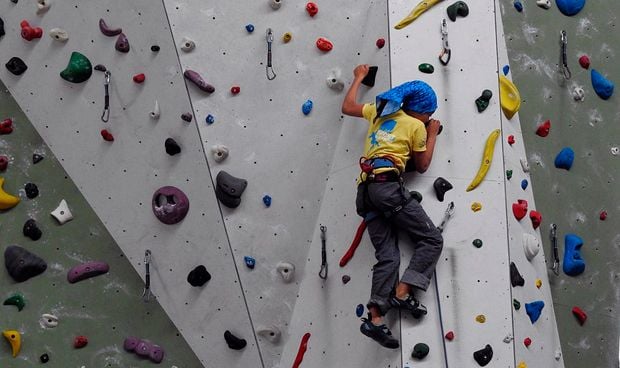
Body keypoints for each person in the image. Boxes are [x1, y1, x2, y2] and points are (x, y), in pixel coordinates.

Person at [341, 64, 444, 349]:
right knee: (431, 240)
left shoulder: (379, 111)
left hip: (365, 193)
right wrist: (432, 133)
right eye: (429, 113)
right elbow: (422, 167)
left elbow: (348, 106)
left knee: (388, 257)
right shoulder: (415, 127)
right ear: (419, 110)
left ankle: (374, 320)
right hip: (387, 188)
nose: (430, 118)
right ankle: (402, 291)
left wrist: (359, 77)